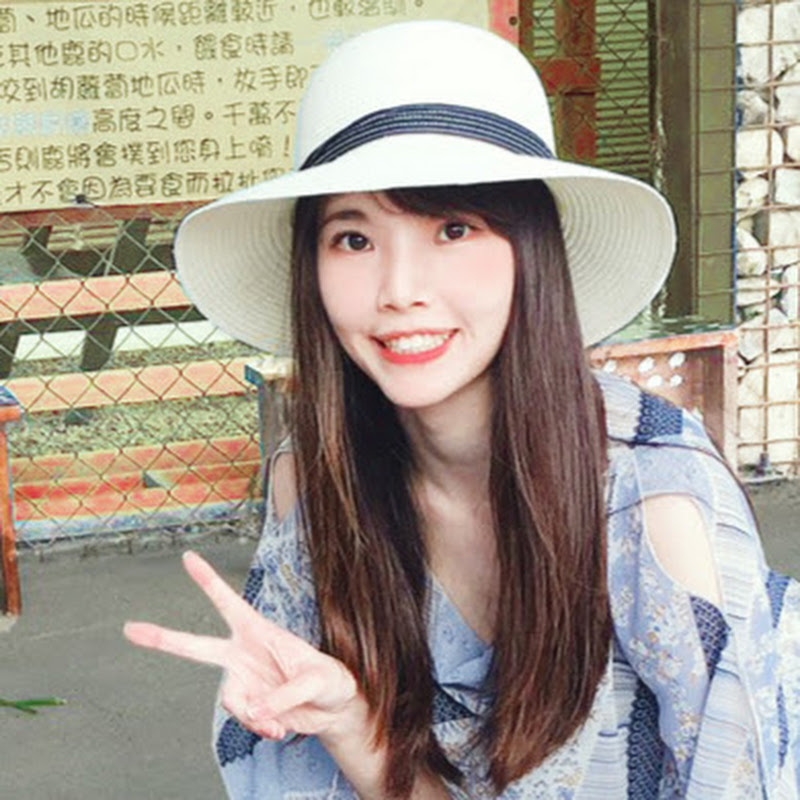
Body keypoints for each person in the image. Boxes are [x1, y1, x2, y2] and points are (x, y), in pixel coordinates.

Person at [123, 19, 800, 799]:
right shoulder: (312, 481)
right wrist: (350, 723)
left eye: (453, 227)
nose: (399, 289)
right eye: (353, 239)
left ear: (531, 252)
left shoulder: (654, 501)